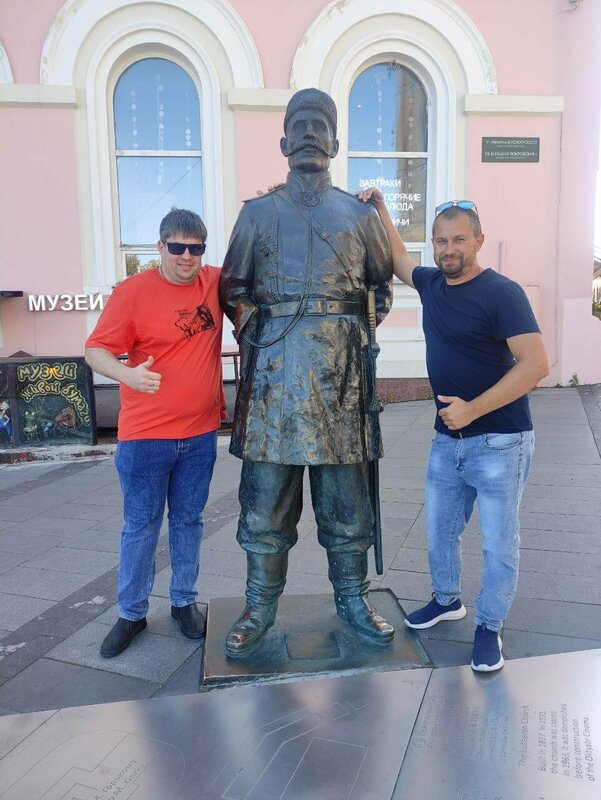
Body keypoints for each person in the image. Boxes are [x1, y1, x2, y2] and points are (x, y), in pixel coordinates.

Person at [219, 88, 395, 657]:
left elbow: (381, 286)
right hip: (274, 383)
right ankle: (259, 606)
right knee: (265, 503)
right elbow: (233, 288)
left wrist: (361, 325)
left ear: (336, 142)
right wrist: (260, 331)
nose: (310, 134)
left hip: (341, 381)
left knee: (347, 504)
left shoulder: (360, 215)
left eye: (321, 125)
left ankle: (353, 599)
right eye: (300, 125)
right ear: (283, 142)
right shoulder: (257, 213)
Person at [359, 189, 549, 672]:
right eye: (441, 241)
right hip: (447, 440)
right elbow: (400, 260)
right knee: (440, 532)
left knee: (498, 542)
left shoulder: (502, 293)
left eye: (458, 240)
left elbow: (536, 364)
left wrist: (473, 409)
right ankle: (446, 600)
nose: (449, 250)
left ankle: (489, 625)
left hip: (501, 441)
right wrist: (381, 209)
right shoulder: (432, 284)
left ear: (478, 241)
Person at [85, 208, 225, 657]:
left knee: (188, 521)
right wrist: (127, 375)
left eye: (196, 248)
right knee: (141, 526)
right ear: (160, 247)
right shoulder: (132, 293)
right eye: (178, 247)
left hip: (200, 435)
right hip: (145, 438)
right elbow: (95, 349)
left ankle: (183, 602)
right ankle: (131, 613)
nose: (187, 257)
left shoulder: (214, 282)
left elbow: (262, 263)